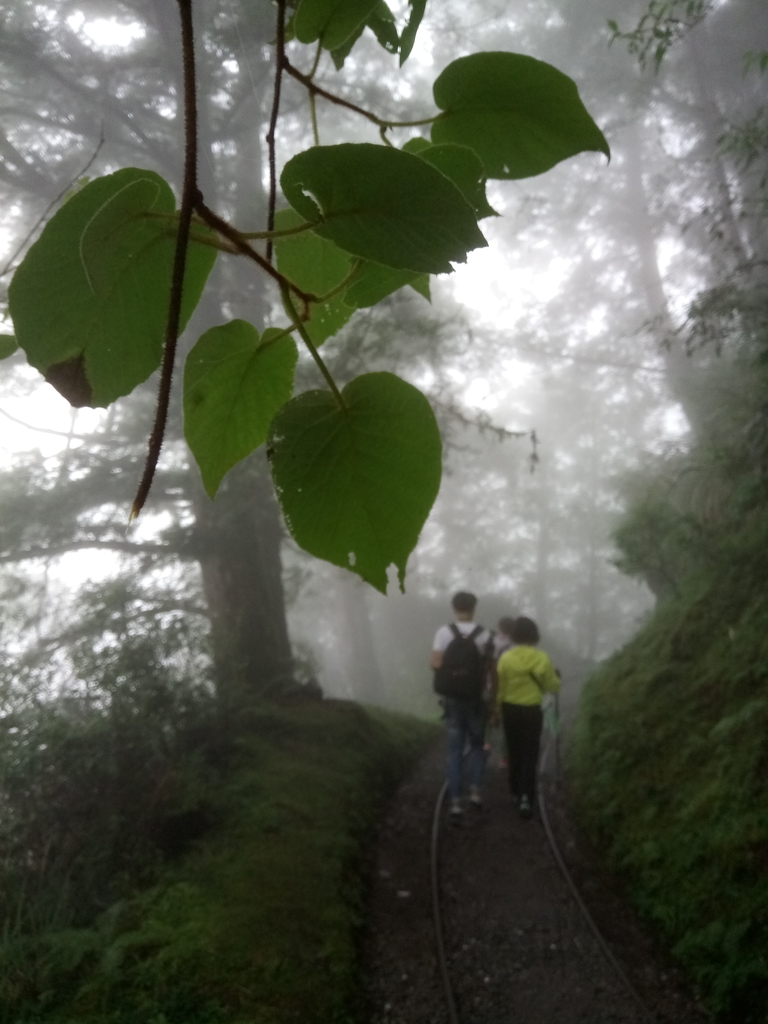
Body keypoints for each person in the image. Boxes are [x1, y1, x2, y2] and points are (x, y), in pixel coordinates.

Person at [431, 592, 492, 819]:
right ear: (474, 608)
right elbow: (489, 670)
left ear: (453, 608)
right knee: (477, 745)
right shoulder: (484, 634)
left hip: (453, 699)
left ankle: (456, 802)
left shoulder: (444, 632)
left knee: (455, 750)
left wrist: (453, 672)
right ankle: (476, 792)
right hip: (476, 698)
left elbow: (435, 663)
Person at [493, 615, 560, 819]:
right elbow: (552, 686)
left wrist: (496, 709)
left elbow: (501, 688)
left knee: (514, 750)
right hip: (532, 710)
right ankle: (525, 798)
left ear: (514, 635)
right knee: (530, 753)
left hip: (510, 708)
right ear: (534, 635)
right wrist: (557, 677)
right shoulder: (542, 658)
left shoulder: (506, 658)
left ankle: (514, 791)